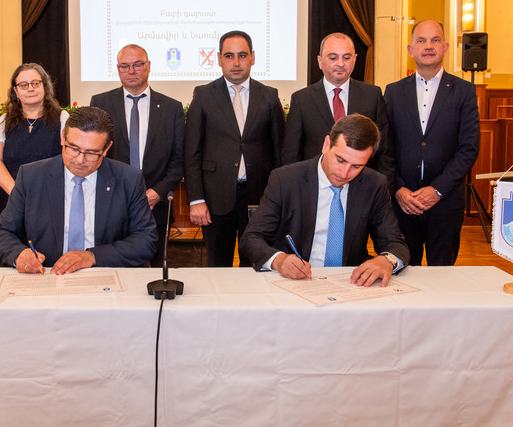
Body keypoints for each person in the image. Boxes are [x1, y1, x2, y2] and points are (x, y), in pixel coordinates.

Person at [241, 114, 410, 286]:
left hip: (350, 283)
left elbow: (395, 243)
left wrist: (387, 260)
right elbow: (251, 238)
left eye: (356, 166)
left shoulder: (374, 184)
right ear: (326, 144)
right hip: (294, 282)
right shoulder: (286, 179)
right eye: (340, 160)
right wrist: (279, 260)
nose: (344, 173)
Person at [0, 106, 157, 274]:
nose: (80, 159)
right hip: (46, 276)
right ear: (63, 137)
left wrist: (93, 256)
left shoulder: (128, 179)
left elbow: (146, 240)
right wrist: (19, 254)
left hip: (103, 276)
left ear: (106, 149)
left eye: (91, 153)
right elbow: (2, 234)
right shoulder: (31, 176)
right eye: (74, 148)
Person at [185, 30, 285, 267]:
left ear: (253, 57)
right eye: (229, 56)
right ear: (219, 59)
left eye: (242, 55)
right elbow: (192, 152)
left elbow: (280, 152)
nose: (236, 63)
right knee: (217, 264)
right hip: (216, 196)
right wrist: (195, 199)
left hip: (259, 196)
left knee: (255, 263)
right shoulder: (203, 95)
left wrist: (281, 198)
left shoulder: (269, 96)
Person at [384, 20, 480, 265]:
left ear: (446, 47)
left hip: (445, 202)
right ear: (410, 49)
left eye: (435, 40)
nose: (428, 46)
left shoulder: (464, 91)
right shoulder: (393, 92)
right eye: (421, 41)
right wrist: (399, 189)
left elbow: (468, 148)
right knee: (403, 272)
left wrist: (437, 190)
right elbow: (385, 148)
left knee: (443, 276)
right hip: (404, 203)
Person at [90, 44, 184, 267]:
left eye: (137, 64)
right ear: (118, 69)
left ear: (148, 66)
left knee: (152, 271)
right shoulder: (100, 103)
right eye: (125, 66)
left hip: (155, 205)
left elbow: (179, 161)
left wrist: (156, 193)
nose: (131, 71)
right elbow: (94, 153)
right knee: (111, 265)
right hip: (110, 200)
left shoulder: (172, 108)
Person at [281, 32, 394, 183]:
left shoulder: (372, 95)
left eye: (346, 58)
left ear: (354, 60)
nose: (340, 63)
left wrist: (383, 189)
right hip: (316, 186)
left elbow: (384, 149)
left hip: (362, 186)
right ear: (320, 61)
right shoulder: (302, 99)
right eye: (333, 58)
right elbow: (291, 155)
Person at [0, 63, 68, 217]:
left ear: (44, 86)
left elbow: (68, 159)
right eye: (23, 85)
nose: (30, 88)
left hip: (49, 199)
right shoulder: (4, 121)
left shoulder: (62, 118)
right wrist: (17, 194)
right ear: (16, 91)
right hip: (12, 199)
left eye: (35, 83)